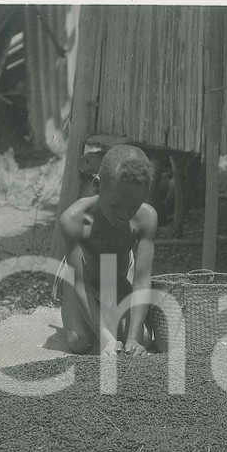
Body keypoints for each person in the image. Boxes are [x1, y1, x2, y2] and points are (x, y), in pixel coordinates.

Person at [55, 145, 158, 355]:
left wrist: (133, 338)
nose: (123, 215)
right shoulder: (74, 219)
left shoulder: (146, 218)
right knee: (79, 341)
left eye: (132, 207)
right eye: (115, 205)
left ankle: (106, 312)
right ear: (97, 185)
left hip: (115, 275)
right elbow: (80, 283)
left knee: (143, 339)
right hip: (80, 277)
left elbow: (141, 280)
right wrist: (106, 339)